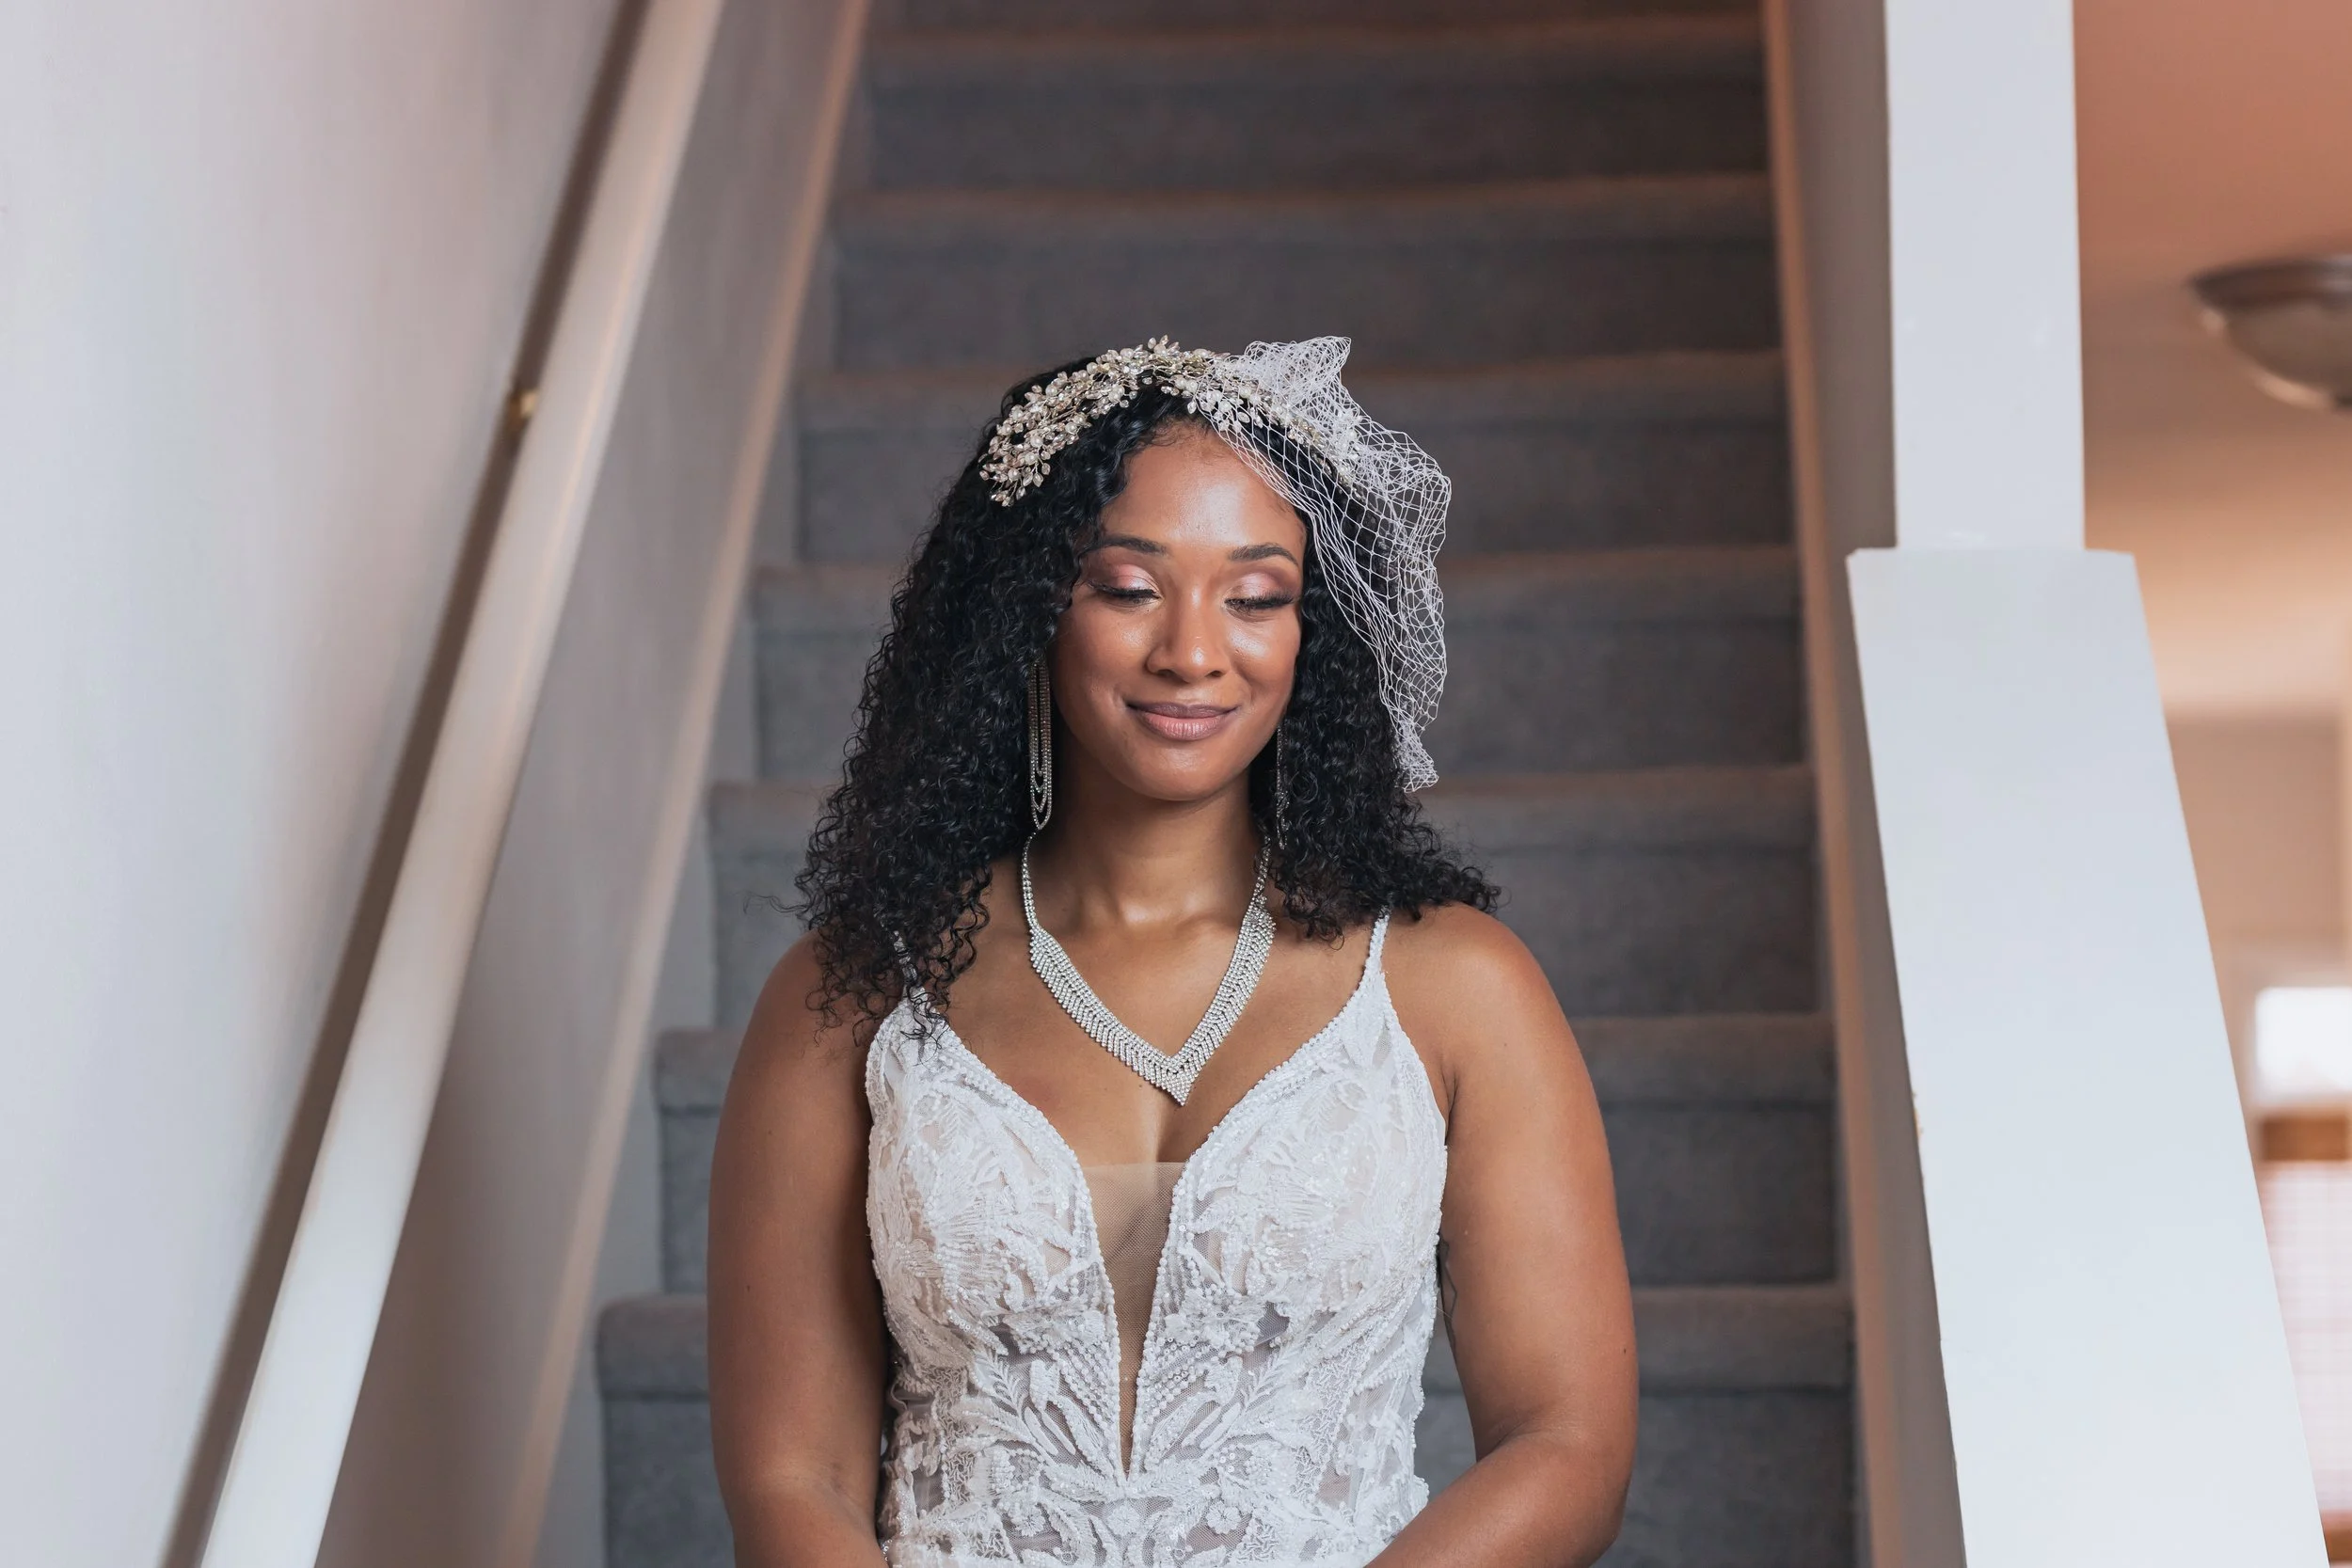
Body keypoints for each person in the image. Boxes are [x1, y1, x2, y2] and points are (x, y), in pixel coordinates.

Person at [706, 338, 1637, 1567]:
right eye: (1129, 587)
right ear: (1030, 609)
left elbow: (1566, 1441)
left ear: (1314, 634)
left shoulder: (1456, 987)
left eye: (1256, 596)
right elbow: (792, 1477)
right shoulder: (855, 994)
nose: (1194, 652)